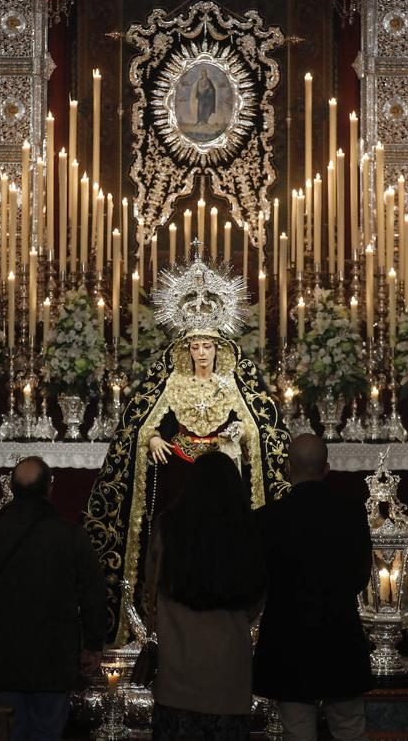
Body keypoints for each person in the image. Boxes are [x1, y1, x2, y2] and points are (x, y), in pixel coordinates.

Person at [84, 255, 290, 645]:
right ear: (186, 349)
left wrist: (235, 437)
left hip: (224, 477)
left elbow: (257, 428)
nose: (201, 353)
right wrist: (153, 439)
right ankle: (157, 620)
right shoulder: (172, 381)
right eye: (195, 345)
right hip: (178, 472)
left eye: (207, 346)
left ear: (218, 349)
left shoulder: (233, 384)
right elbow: (141, 424)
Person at [0, 456, 107, 741]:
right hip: (54, 658)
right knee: (48, 731)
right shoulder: (70, 536)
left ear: (12, 489)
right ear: (49, 489)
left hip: (4, 657)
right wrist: (93, 644)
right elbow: (93, 592)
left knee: (10, 731)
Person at [253, 434, 372, 741]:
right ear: (326, 468)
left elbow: (260, 581)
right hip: (340, 634)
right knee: (350, 728)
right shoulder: (352, 514)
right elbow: (360, 576)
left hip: (287, 638)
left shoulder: (267, 519)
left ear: (288, 469)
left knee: (297, 731)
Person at [147, 451, 266, 741]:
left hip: (178, 668)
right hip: (229, 675)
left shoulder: (168, 527)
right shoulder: (249, 529)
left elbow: (151, 589)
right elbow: (257, 596)